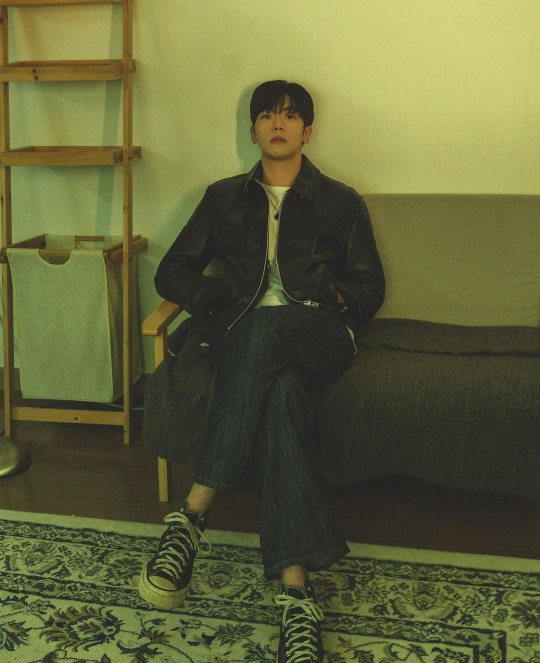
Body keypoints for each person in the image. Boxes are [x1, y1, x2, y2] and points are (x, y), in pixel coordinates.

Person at [139, 80, 385, 663]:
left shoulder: (341, 201)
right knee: (279, 396)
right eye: (268, 115)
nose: (278, 124)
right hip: (245, 338)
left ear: (308, 131)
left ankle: (192, 514)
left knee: (268, 331)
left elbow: (370, 287)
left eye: (291, 115)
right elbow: (171, 271)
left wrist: (331, 295)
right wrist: (214, 298)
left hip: (319, 332)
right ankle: (297, 597)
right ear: (252, 130)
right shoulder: (223, 197)